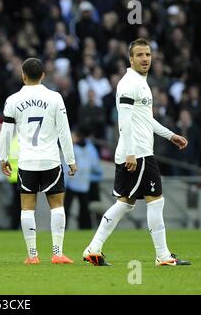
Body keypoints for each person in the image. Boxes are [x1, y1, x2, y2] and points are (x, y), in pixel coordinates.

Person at [82, 38, 191, 267]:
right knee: (156, 201)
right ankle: (163, 256)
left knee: (125, 203)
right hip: (138, 152)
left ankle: (93, 249)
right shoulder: (129, 83)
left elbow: (145, 118)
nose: (145, 59)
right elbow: (124, 119)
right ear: (130, 59)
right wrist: (131, 153)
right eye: (140, 55)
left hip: (137, 151)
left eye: (148, 55)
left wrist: (170, 135)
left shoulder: (141, 82)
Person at [0, 57, 77, 265]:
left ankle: (32, 255)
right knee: (57, 206)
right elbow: (64, 131)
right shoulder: (55, 98)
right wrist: (70, 159)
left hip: (27, 162)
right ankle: (57, 253)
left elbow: (6, 131)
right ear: (43, 75)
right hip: (51, 159)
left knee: (27, 208)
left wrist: (3, 157)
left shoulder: (13, 100)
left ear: (23, 75)